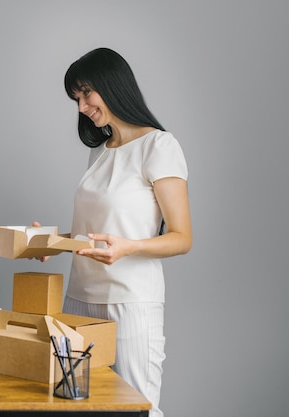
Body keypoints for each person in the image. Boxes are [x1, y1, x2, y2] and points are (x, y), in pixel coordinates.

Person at [37, 48, 192, 417]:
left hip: (130, 301)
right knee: (76, 405)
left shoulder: (159, 146)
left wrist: (128, 248)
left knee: (137, 408)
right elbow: (92, 233)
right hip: (79, 300)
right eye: (77, 98)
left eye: (86, 93)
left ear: (113, 85)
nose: (82, 106)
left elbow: (182, 237)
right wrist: (52, 241)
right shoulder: (101, 151)